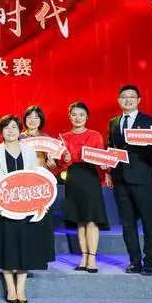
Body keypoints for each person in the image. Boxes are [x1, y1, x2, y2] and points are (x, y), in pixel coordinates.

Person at [0, 115, 53, 303]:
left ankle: (21, 288)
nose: (11, 131)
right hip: (2, 208)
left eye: (14, 127)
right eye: (7, 128)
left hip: (25, 207)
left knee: (25, 246)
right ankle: (10, 287)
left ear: (19, 130)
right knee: (6, 247)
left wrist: (42, 199)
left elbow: (36, 177)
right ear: (1, 131)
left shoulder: (29, 151)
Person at [106, 85, 152, 276]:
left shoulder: (149, 121)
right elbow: (111, 148)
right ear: (118, 100)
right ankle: (134, 261)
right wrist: (108, 169)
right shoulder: (113, 122)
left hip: (141, 178)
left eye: (132, 97)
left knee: (148, 221)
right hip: (120, 178)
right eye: (124, 97)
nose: (128, 100)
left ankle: (149, 262)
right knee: (127, 223)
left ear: (139, 100)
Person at [59, 102, 109, 273]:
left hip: (90, 178)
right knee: (80, 220)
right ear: (69, 117)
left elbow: (101, 159)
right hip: (73, 179)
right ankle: (84, 257)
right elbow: (60, 164)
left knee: (91, 220)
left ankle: (92, 259)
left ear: (87, 117)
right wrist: (63, 160)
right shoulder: (63, 137)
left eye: (81, 114)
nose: (78, 118)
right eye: (74, 114)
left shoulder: (95, 135)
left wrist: (104, 165)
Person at [20, 105, 57, 265]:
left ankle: (42, 256)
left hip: (42, 184)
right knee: (25, 220)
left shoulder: (47, 139)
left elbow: (53, 163)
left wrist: (52, 163)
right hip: (23, 183)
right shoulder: (19, 137)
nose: (33, 120)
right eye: (29, 117)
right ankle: (25, 255)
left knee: (42, 219)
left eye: (36, 117)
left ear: (41, 120)